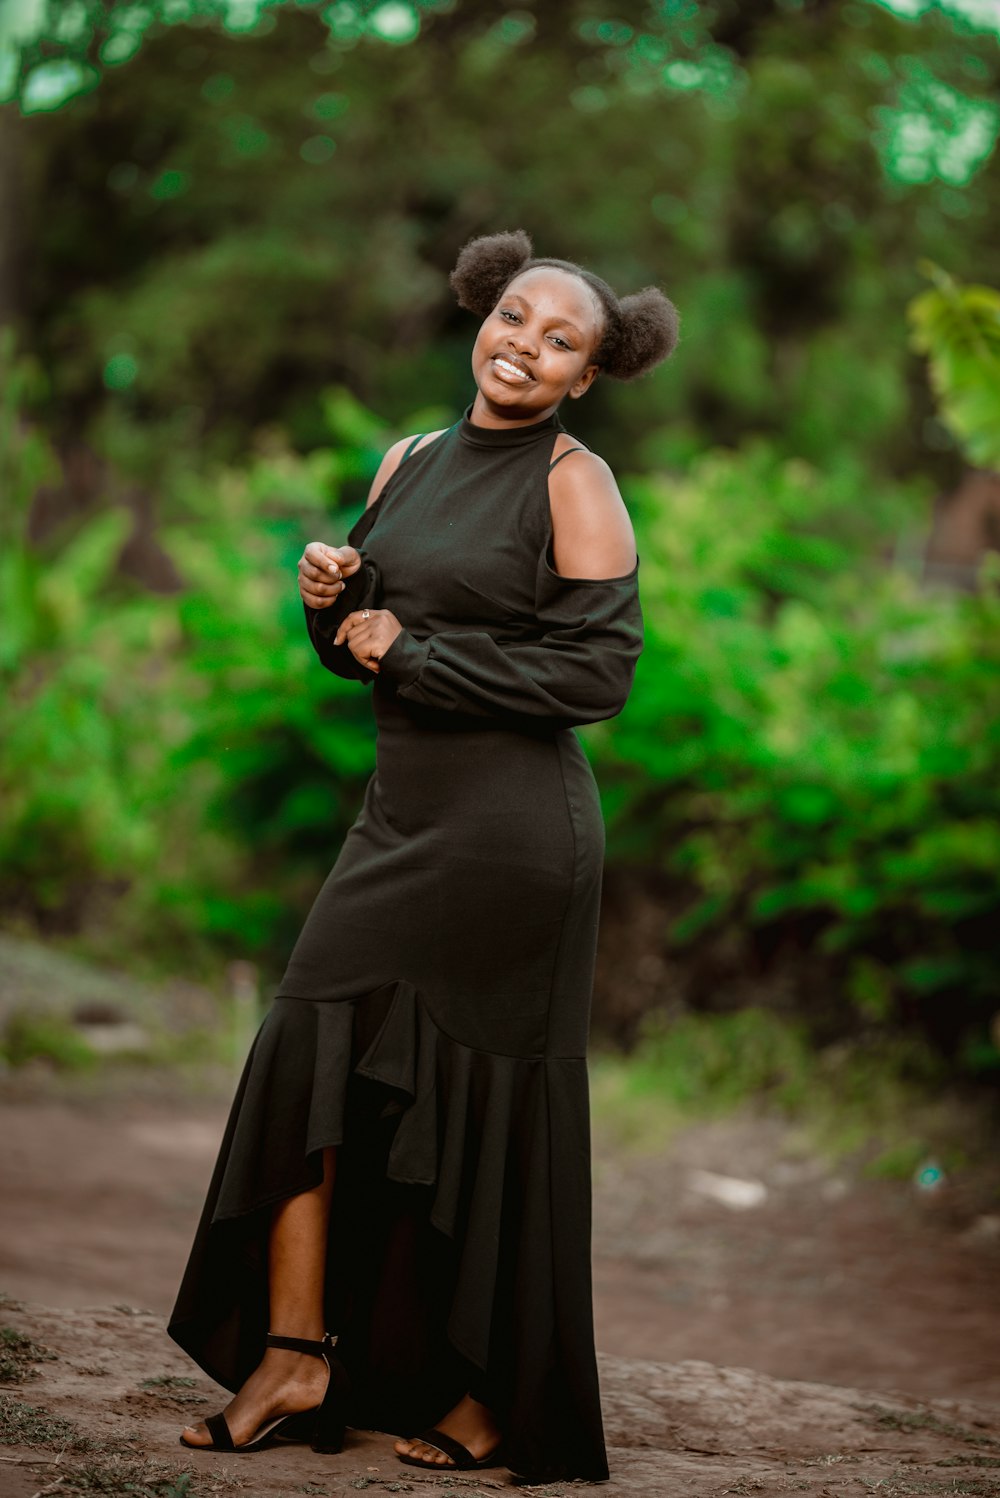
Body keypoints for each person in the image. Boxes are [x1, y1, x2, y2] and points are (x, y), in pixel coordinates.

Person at [167, 229, 679, 1482]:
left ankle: (498, 1393)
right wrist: (326, 599)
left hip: (513, 838)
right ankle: (295, 1356)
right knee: (307, 1045)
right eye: (515, 317)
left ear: (586, 376)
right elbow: (363, 641)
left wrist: (412, 653)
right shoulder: (407, 460)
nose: (526, 346)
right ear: (479, 311)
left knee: (483, 1105)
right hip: (400, 819)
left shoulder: (575, 480)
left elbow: (597, 673)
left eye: (561, 340)